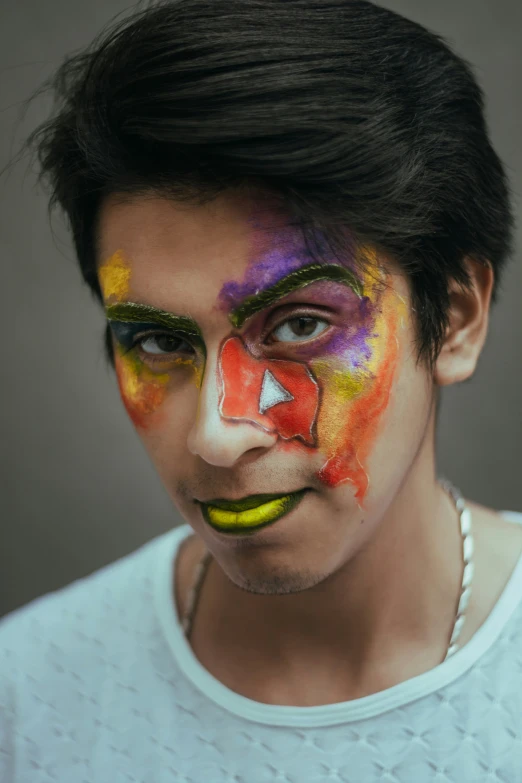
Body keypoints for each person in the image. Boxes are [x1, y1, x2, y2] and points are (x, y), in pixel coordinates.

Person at [1, 1, 521, 780]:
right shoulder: (26, 696)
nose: (217, 434)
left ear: (454, 317)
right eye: (159, 340)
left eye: (302, 325)